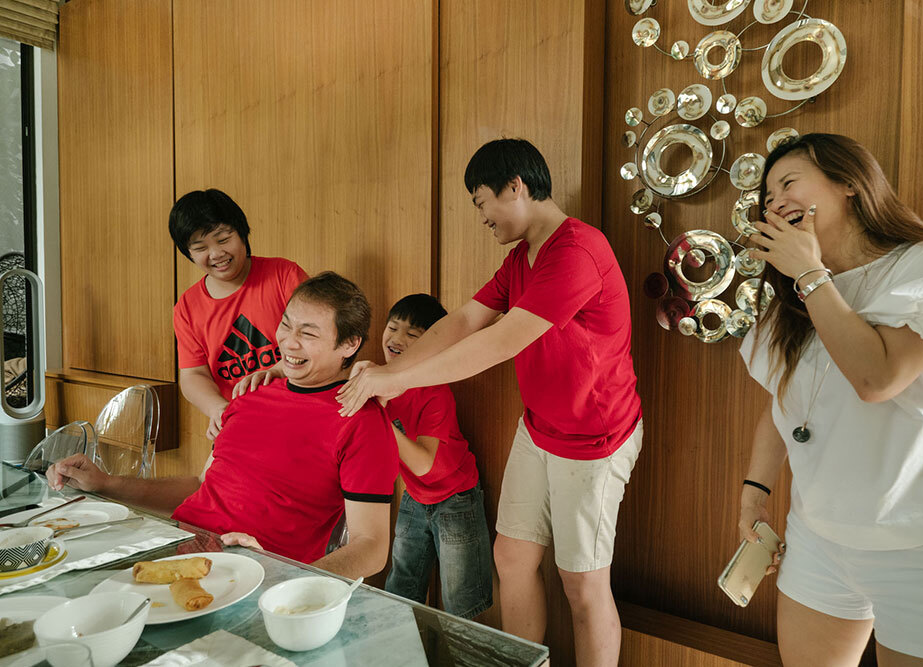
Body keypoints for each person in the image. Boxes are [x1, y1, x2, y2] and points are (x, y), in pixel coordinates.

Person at [337, 139, 642, 667]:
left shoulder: (578, 251)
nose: (481, 216)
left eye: (481, 202)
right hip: (540, 428)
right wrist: (391, 373)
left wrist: (393, 384)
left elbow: (498, 343)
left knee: (583, 586)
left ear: (516, 187)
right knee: (512, 555)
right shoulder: (522, 258)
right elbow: (461, 322)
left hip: (595, 441)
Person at [739, 133, 923, 666]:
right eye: (767, 196)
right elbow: (784, 403)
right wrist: (754, 492)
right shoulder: (793, 299)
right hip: (817, 539)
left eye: (788, 182)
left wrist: (811, 275)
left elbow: (876, 378)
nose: (774, 202)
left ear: (850, 184)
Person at [47, 272, 399, 579]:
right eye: (286, 324)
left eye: (308, 334)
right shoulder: (249, 394)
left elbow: (371, 547)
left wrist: (293, 582)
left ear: (349, 344)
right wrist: (106, 483)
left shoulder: (360, 421)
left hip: (257, 573)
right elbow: (202, 487)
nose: (289, 342)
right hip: (176, 548)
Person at [374, 294, 493, 618]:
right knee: (400, 587)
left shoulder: (435, 392)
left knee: (461, 600)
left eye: (413, 335)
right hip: (415, 496)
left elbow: (424, 463)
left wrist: (379, 417)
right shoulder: (379, 380)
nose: (397, 339)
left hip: (456, 498)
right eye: (393, 327)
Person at [169, 189, 308, 441]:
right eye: (201, 247)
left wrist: (277, 370)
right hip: (242, 426)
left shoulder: (284, 276)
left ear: (242, 232)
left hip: (301, 417)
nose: (216, 254)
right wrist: (218, 409)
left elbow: (317, 341)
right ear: (188, 253)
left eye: (223, 239)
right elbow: (193, 375)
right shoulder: (187, 307)